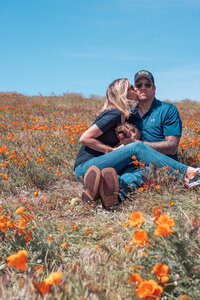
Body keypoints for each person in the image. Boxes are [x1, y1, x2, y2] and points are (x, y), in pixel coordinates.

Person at [74, 78, 200, 210]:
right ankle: (188, 172)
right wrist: (112, 151)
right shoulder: (115, 113)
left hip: (101, 166)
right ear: (124, 93)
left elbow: (171, 145)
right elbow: (85, 138)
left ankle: (104, 190)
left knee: (141, 171)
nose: (136, 90)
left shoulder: (126, 116)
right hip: (87, 167)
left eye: (145, 85)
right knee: (136, 147)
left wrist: (120, 147)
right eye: (132, 87)